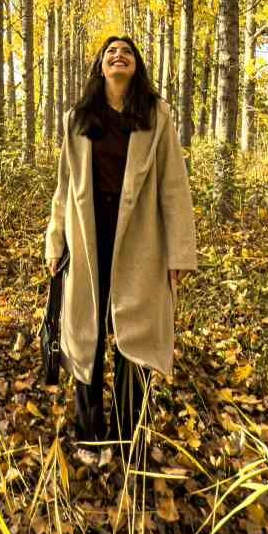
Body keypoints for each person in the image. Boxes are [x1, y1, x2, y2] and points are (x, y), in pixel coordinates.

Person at [44, 35, 198, 465]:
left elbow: (174, 186)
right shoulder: (77, 119)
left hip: (140, 242)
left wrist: (178, 254)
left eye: (126, 51)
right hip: (87, 240)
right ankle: (92, 439)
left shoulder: (156, 116)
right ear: (100, 67)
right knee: (86, 334)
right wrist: (55, 240)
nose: (118, 55)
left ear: (137, 66)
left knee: (134, 337)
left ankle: (131, 438)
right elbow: (64, 187)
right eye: (110, 51)